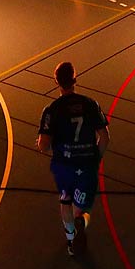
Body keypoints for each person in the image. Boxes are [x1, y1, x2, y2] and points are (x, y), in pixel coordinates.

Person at [36, 61, 109, 257]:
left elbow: (43, 145)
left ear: (56, 81)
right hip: (86, 165)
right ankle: (81, 223)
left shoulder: (52, 110)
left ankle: (70, 239)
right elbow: (105, 137)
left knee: (65, 201)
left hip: (64, 167)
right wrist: (95, 160)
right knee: (81, 208)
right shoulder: (90, 104)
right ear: (75, 79)